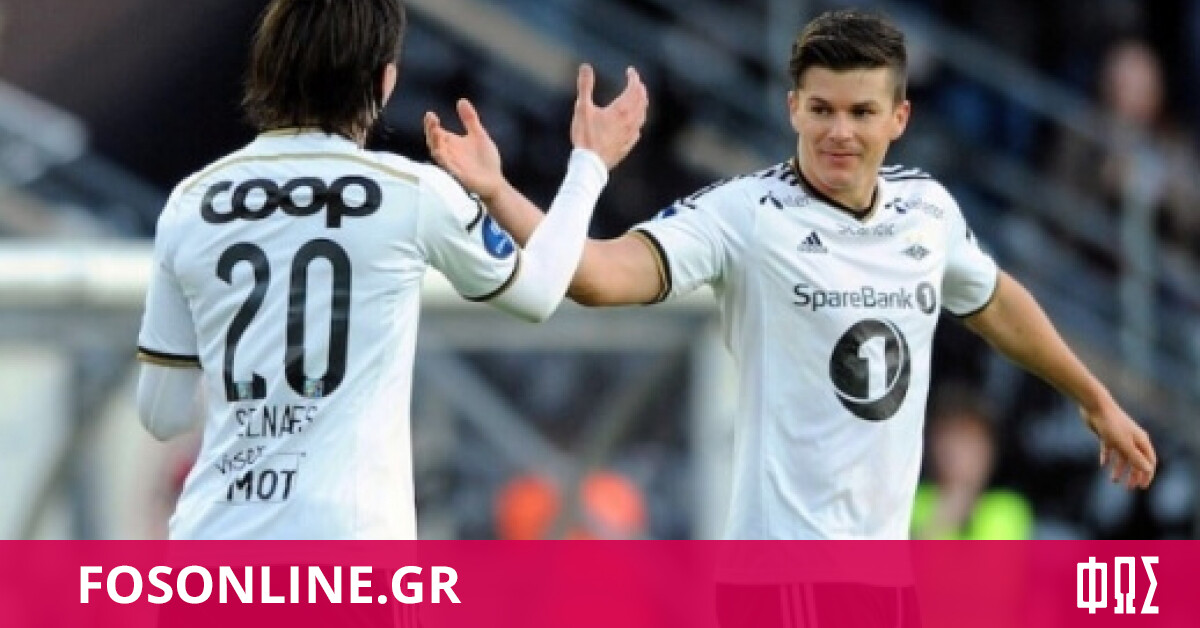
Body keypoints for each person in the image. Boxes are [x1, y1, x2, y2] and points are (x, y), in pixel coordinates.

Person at [426, 8, 1156, 538]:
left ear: (898, 118)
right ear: (792, 110)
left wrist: (1094, 398)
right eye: (822, 109)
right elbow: (595, 276)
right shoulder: (744, 214)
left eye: (862, 111)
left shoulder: (928, 211)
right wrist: (502, 191)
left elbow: (994, 302)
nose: (840, 131)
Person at [134, 0, 648, 540]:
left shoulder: (191, 202)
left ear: (264, 70)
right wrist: (587, 166)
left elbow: (162, 414)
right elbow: (540, 292)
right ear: (385, 81)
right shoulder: (412, 193)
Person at [910, 383, 1033, 539]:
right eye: (950, 440)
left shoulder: (1007, 508)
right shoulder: (911, 499)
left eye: (970, 442)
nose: (958, 453)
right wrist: (944, 516)